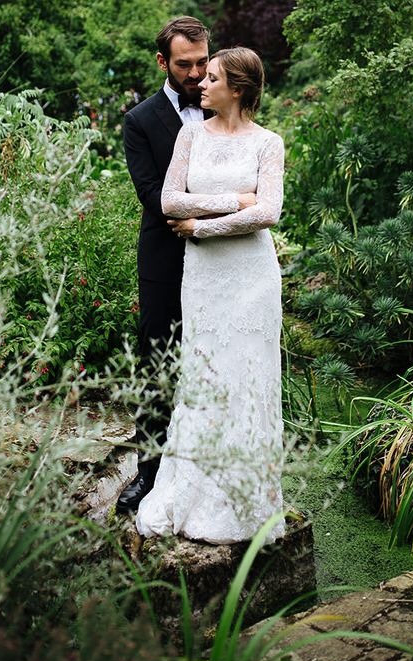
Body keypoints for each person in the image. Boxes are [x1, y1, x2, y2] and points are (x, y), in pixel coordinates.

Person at [135, 47, 286, 544]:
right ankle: (193, 490)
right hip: (202, 280)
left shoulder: (269, 144)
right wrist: (231, 201)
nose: (201, 82)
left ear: (237, 89)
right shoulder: (189, 134)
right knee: (204, 373)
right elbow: (167, 200)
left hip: (250, 277)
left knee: (246, 378)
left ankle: (245, 502)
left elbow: (268, 213)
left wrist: (200, 226)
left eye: (213, 77)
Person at [116, 17, 211, 514]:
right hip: (164, 259)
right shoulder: (139, 121)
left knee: (216, 358)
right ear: (163, 63)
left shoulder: (226, 105)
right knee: (158, 362)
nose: (196, 74)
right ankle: (149, 472)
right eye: (184, 65)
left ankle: (211, 469)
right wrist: (209, 212)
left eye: (202, 62)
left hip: (221, 259)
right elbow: (151, 194)